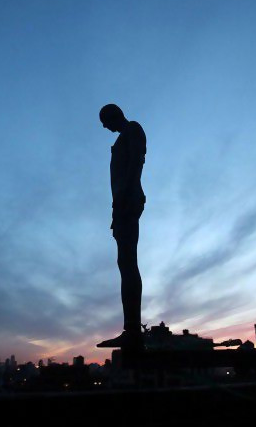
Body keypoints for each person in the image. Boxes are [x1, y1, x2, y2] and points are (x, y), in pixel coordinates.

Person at [96, 104, 147, 351]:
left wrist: (125, 197)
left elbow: (136, 163)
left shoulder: (133, 129)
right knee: (124, 263)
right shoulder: (123, 136)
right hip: (122, 204)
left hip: (127, 201)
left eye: (105, 122)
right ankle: (131, 328)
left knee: (128, 263)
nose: (105, 127)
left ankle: (133, 331)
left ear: (113, 116)